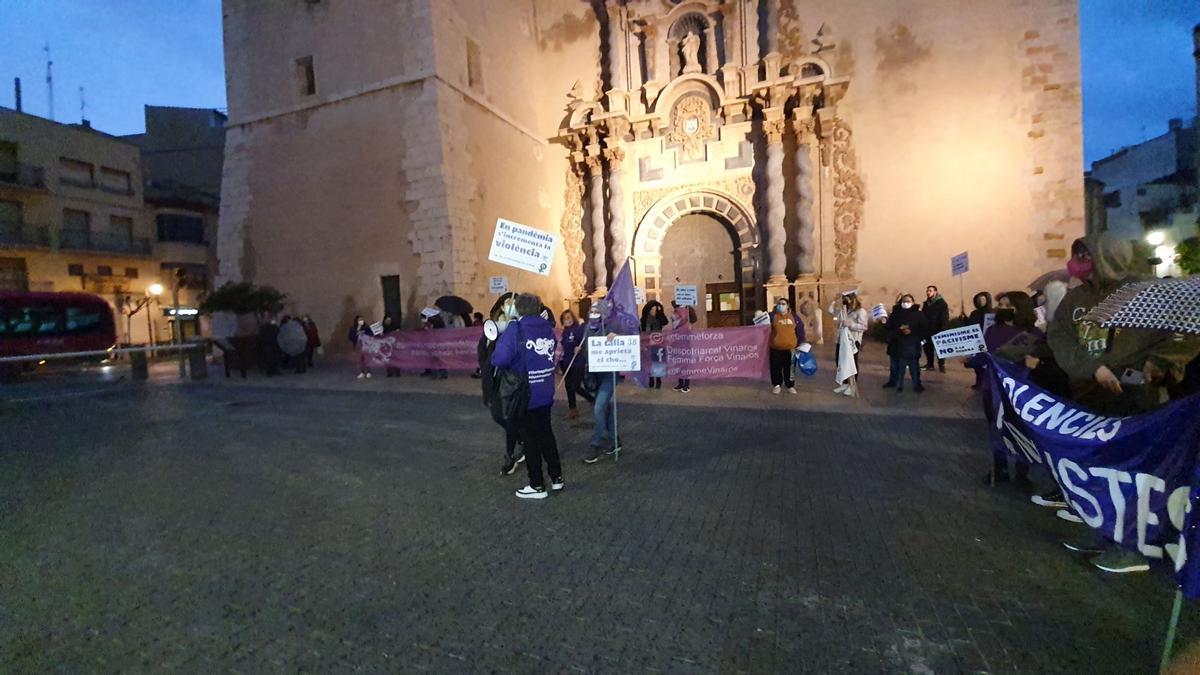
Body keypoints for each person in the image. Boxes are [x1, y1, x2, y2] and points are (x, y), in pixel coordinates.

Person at [1047, 235, 1200, 573]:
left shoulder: (1153, 293)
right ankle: (1104, 530)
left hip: (1139, 400)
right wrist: (1092, 368)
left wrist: (1160, 363)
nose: (1082, 261)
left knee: (1135, 476)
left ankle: (1131, 546)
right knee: (1100, 471)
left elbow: (1184, 334)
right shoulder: (1078, 297)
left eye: (1090, 255)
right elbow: (1059, 337)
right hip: (1091, 397)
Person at [491, 293, 563, 500]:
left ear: (519, 308)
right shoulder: (547, 326)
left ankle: (537, 485)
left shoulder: (516, 328)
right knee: (546, 434)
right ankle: (557, 477)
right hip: (545, 390)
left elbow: (501, 359)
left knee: (530, 439)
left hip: (525, 393)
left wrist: (498, 348)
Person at [983, 291, 1043, 487]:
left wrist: (1036, 363)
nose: (1001, 307)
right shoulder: (992, 331)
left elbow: (1045, 361)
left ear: (1019, 307)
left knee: (1021, 431)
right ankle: (999, 469)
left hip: (1021, 391)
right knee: (996, 428)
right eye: (1000, 304)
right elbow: (984, 354)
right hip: (993, 388)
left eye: (1006, 304)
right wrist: (969, 361)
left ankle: (1021, 472)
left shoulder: (1034, 334)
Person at [478, 297, 524, 475]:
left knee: (508, 417)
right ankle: (523, 439)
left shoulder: (517, 326)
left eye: (512, 303)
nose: (508, 306)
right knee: (497, 415)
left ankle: (510, 455)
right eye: (506, 303)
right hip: (492, 380)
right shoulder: (494, 324)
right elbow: (483, 349)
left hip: (509, 381)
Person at [583, 304, 619, 462]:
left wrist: (615, 337)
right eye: (592, 311)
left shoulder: (612, 326)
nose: (594, 313)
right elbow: (586, 350)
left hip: (609, 375)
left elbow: (625, 341)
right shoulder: (587, 328)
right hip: (595, 374)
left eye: (597, 311)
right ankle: (614, 439)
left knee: (598, 408)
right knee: (607, 408)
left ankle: (595, 444)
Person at [882, 294, 927, 393]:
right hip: (896, 344)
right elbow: (889, 327)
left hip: (912, 345)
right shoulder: (896, 313)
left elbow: (924, 329)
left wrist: (911, 331)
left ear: (913, 302)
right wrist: (885, 323)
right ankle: (893, 382)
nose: (906, 303)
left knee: (914, 368)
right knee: (894, 366)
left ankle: (917, 385)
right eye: (904, 301)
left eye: (908, 301)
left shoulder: (919, 314)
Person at [829, 290, 869, 395]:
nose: (845, 301)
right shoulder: (845, 310)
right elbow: (831, 311)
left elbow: (864, 327)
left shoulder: (861, 311)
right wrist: (834, 300)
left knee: (851, 362)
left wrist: (851, 324)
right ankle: (845, 383)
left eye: (847, 299)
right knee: (840, 361)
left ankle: (852, 385)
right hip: (841, 340)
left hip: (853, 340)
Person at [558, 309, 592, 419]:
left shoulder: (579, 329)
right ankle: (573, 409)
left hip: (577, 363)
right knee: (568, 387)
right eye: (564, 318)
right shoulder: (564, 332)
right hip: (566, 363)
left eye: (568, 317)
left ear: (572, 317)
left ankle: (592, 399)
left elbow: (585, 341)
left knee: (575, 386)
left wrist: (580, 348)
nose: (566, 320)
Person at [768, 296, 805, 394]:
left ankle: (790, 385)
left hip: (791, 348)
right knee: (775, 367)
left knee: (790, 368)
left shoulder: (794, 317)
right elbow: (760, 323)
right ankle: (777, 385)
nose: (781, 306)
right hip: (776, 348)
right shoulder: (772, 316)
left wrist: (801, 343)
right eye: (779, 304)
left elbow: (800, 330)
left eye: (783, 304)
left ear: (787, 306)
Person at [965, 292, 994, 390]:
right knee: (977, 364)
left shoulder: (992, 313)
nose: (981, 302)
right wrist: (964, 319)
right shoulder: (974, 313)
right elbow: (969, 326)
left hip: (988, 341)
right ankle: (979, 382)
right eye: (979, 300)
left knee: (988, 364)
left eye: (983, 300)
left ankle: (988, 383)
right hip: (977, 342)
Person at [640, 301, 669, 389]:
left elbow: (665, 322)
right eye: (652, 310)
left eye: (655, 310)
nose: (654, 311)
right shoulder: (644, 319)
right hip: (647, 343)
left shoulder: (658, 318)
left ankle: (658, 379)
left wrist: (660, 312)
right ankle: (651, 379)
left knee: (657, 361)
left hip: (658, 343)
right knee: (649, 361)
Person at [670, 301, 696, 393]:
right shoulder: (676, 312)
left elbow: (693, 319)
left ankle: (686, 384)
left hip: (683, 340)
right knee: (681, 362)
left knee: (684, 362)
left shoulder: (687, 310)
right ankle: (681, 383)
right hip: (680, 340)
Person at [921, 285, 949, 372]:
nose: (928, 292)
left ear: (935, 292)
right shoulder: (926, 303)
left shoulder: (941, 303)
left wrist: (943, 329)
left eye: (930, 291)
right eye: (927, 291)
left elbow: (944, 317)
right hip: (927, 330)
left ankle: (941, 365)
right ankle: (930, 364)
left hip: (937, 329)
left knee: (940, 348)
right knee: (927, 347)